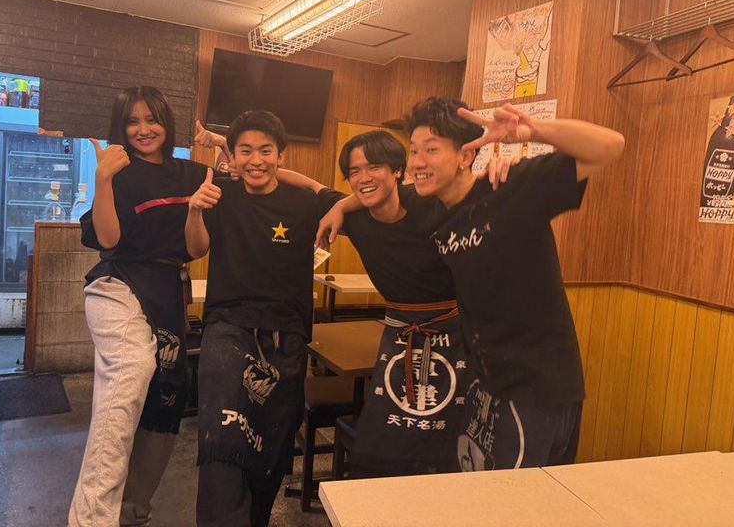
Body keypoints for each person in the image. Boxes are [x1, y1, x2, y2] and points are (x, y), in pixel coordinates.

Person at [404, 97, 624, 470]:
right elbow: (380, 194)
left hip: (538, 386)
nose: (417, 162)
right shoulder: (433, 210)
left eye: (431, 149)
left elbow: (610, 146)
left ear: (465, 156)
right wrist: (339, 208)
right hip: (488, 382)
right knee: (481, 487)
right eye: (413, 151)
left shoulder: (509, 187)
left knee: (518, 498)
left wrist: (533, 130)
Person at [292, 130, 510, 477]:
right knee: (383, 438)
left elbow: (475, 196)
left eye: (374, 167)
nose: (363, 177)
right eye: (354, 171)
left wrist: (505, 169)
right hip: (398, 334)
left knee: (453, 438)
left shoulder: (428, 203)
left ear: (397, 170)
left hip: (455, 333)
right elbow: (310, 185)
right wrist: (340, 204)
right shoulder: (355, 217)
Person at [70, 86, 214, 526]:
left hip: (167, 292)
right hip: (118, 285)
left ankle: (133, 512)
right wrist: (103, 180)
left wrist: (224, 147)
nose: (143, 129)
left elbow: (198, 247)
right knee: (131, 370)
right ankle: (91, 519)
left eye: (152, 119)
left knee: (167, 397)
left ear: (167, 123)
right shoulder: (119, 173)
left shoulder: (194, 174)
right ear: (121, 128)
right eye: (132, 121)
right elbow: (108, 239)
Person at [192, 110, 342, 527]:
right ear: (233, 155)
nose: (256, 160)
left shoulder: (304, 203)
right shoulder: (220, 194)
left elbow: (342, 200)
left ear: (281, 155)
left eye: (266, 151)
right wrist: (193, 210)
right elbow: (195, 248)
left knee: (272, 446)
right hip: (228, 328)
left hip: (287, 335)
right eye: (245, 151)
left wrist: (309, 184)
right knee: (222, 444)